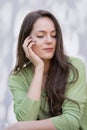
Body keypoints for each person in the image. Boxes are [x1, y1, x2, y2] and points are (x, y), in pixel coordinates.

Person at [5, 10, 87, 130]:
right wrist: (39, 68)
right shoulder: (17, 78)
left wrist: (18, 126)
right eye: (40, 35)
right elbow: (26, 120)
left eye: (54, 35)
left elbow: (71, 121)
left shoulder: (74, 66)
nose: (49, 40)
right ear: (27, 41)